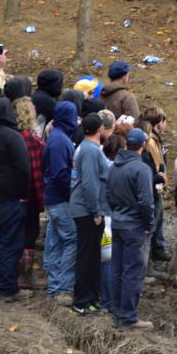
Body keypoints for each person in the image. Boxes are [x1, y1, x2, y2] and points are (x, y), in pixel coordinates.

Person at [0, 97, 32, 302]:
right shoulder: (13, 137)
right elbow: (23, 169)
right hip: (10, 199)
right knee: (9, 244)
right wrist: (22, 194)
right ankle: (8, 287)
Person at [106, 128, 155, 331]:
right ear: (142, 145)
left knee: (116, 270)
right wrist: (149, 224)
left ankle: (117, 313)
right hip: (135, 227)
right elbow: (146, 201)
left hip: (117, 223)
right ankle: (128, 317)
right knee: (133, 272)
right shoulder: (141, 169)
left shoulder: (114, 167)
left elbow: (108, 195)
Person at [69, 113, 110, 316]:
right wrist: (95, 211)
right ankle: (82, 301)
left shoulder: (87, 148)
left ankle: (91, 298)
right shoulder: (90, 151)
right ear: (100, 128)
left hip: (88, 209)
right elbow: (90, 183)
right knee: (88, 256)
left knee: (92, 256)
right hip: (87, 211)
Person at [43, 101, 77, 306]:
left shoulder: (58, 137)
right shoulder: (59, 141)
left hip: (55, 197)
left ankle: (54, 287)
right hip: (60, 198)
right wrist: (71, 194)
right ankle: (64, 288)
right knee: (71, 239)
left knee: (55, 241)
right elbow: (60, 174)